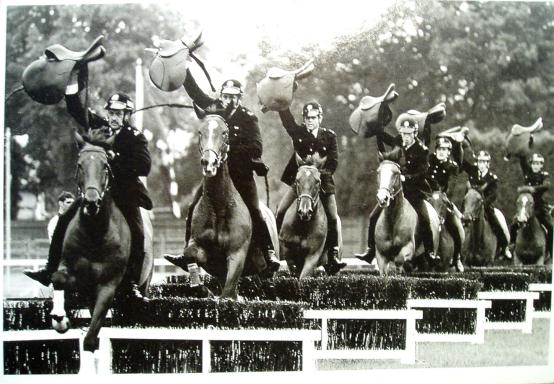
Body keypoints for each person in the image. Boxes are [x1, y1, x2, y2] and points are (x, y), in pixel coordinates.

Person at [24, 92, 152, 301]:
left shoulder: (135, 137)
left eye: (119, 113)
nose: (113, 117)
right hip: (96, 191)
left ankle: (130, 283)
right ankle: (50, 269)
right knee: (64, 220)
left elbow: (144, 166)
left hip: (124, 193)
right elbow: (77, 111)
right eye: (111, 112)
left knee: (137, 233)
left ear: (127, 115)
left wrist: (115, 158)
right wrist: (70, 87)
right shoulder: (101, 127)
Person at [169, 70, 280, 273]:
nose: (230, 100)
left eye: (234, 96)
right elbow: (195, 92)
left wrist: (230, 147)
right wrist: (183, 69)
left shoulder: (248, 118)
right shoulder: (214, 111)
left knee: (255, 211)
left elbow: (256, 148)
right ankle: (187, 252)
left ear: (239, 98)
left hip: (241, 176)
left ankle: (268, 251)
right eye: (226, 96)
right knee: (194, 207)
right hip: (215, 177)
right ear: (221, 96)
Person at [275, 101, 347, 275]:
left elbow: (333, 161)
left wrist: (319, 174)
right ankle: (274, 250)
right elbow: (288, 122)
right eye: (307, 118)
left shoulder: (329, 136)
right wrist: (282, 104)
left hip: (321, 182)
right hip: (300, 182)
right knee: (280, 211)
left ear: (320, 118)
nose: (310, 121)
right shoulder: (298, 132)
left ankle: (334, 253)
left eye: (313, 118)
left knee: (332, 216)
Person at [356, 112, 437, 265]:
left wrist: (407, 178)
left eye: (408, 134)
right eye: (403, 134)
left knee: (425, 219)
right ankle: (370, 250)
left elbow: (423, 172)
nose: (405, 137)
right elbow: (384, 137)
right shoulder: (398, 141)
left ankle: (430, 251)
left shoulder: (422, 150)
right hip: (394, 191)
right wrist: (378, 123)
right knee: (374, 216)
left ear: (414, 133)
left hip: (414, 191)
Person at [462, 150, 512, 259]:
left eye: (484, 162)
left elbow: (493, 195)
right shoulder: (473, 174)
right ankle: (457, 252)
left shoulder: (492, 178)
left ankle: (504, 247)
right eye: (479, 162)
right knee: (461, 221)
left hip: (485, 206)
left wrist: (483, 203)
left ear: (488, 164)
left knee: (497, 224)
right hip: (471, 206)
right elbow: (462, 162)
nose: (481, 164)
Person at [427, 137, 465, 272]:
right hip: (428, 198)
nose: (442, 152)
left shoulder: (452, 167)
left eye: (445, 149)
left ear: (448, 152)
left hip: (444, 199)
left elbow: (451, 186)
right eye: (439, 149)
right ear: (436, 150)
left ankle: (457, 257)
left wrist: (444, 196)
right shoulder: (429, 161)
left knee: (457, 229)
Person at [508, 153, 552, 256]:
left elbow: (546, 185)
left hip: (539, 207)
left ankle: (550, 250)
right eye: (534, 163)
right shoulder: (527, 173)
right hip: (526, 207)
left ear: (541, 165)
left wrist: (533, 189)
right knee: (514, 224)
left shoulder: (544, 175)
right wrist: (520, 148)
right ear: (531, 164)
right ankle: (512, 245)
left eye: (538, 164)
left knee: (551, 227)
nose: (535, 166)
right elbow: (522, 160)